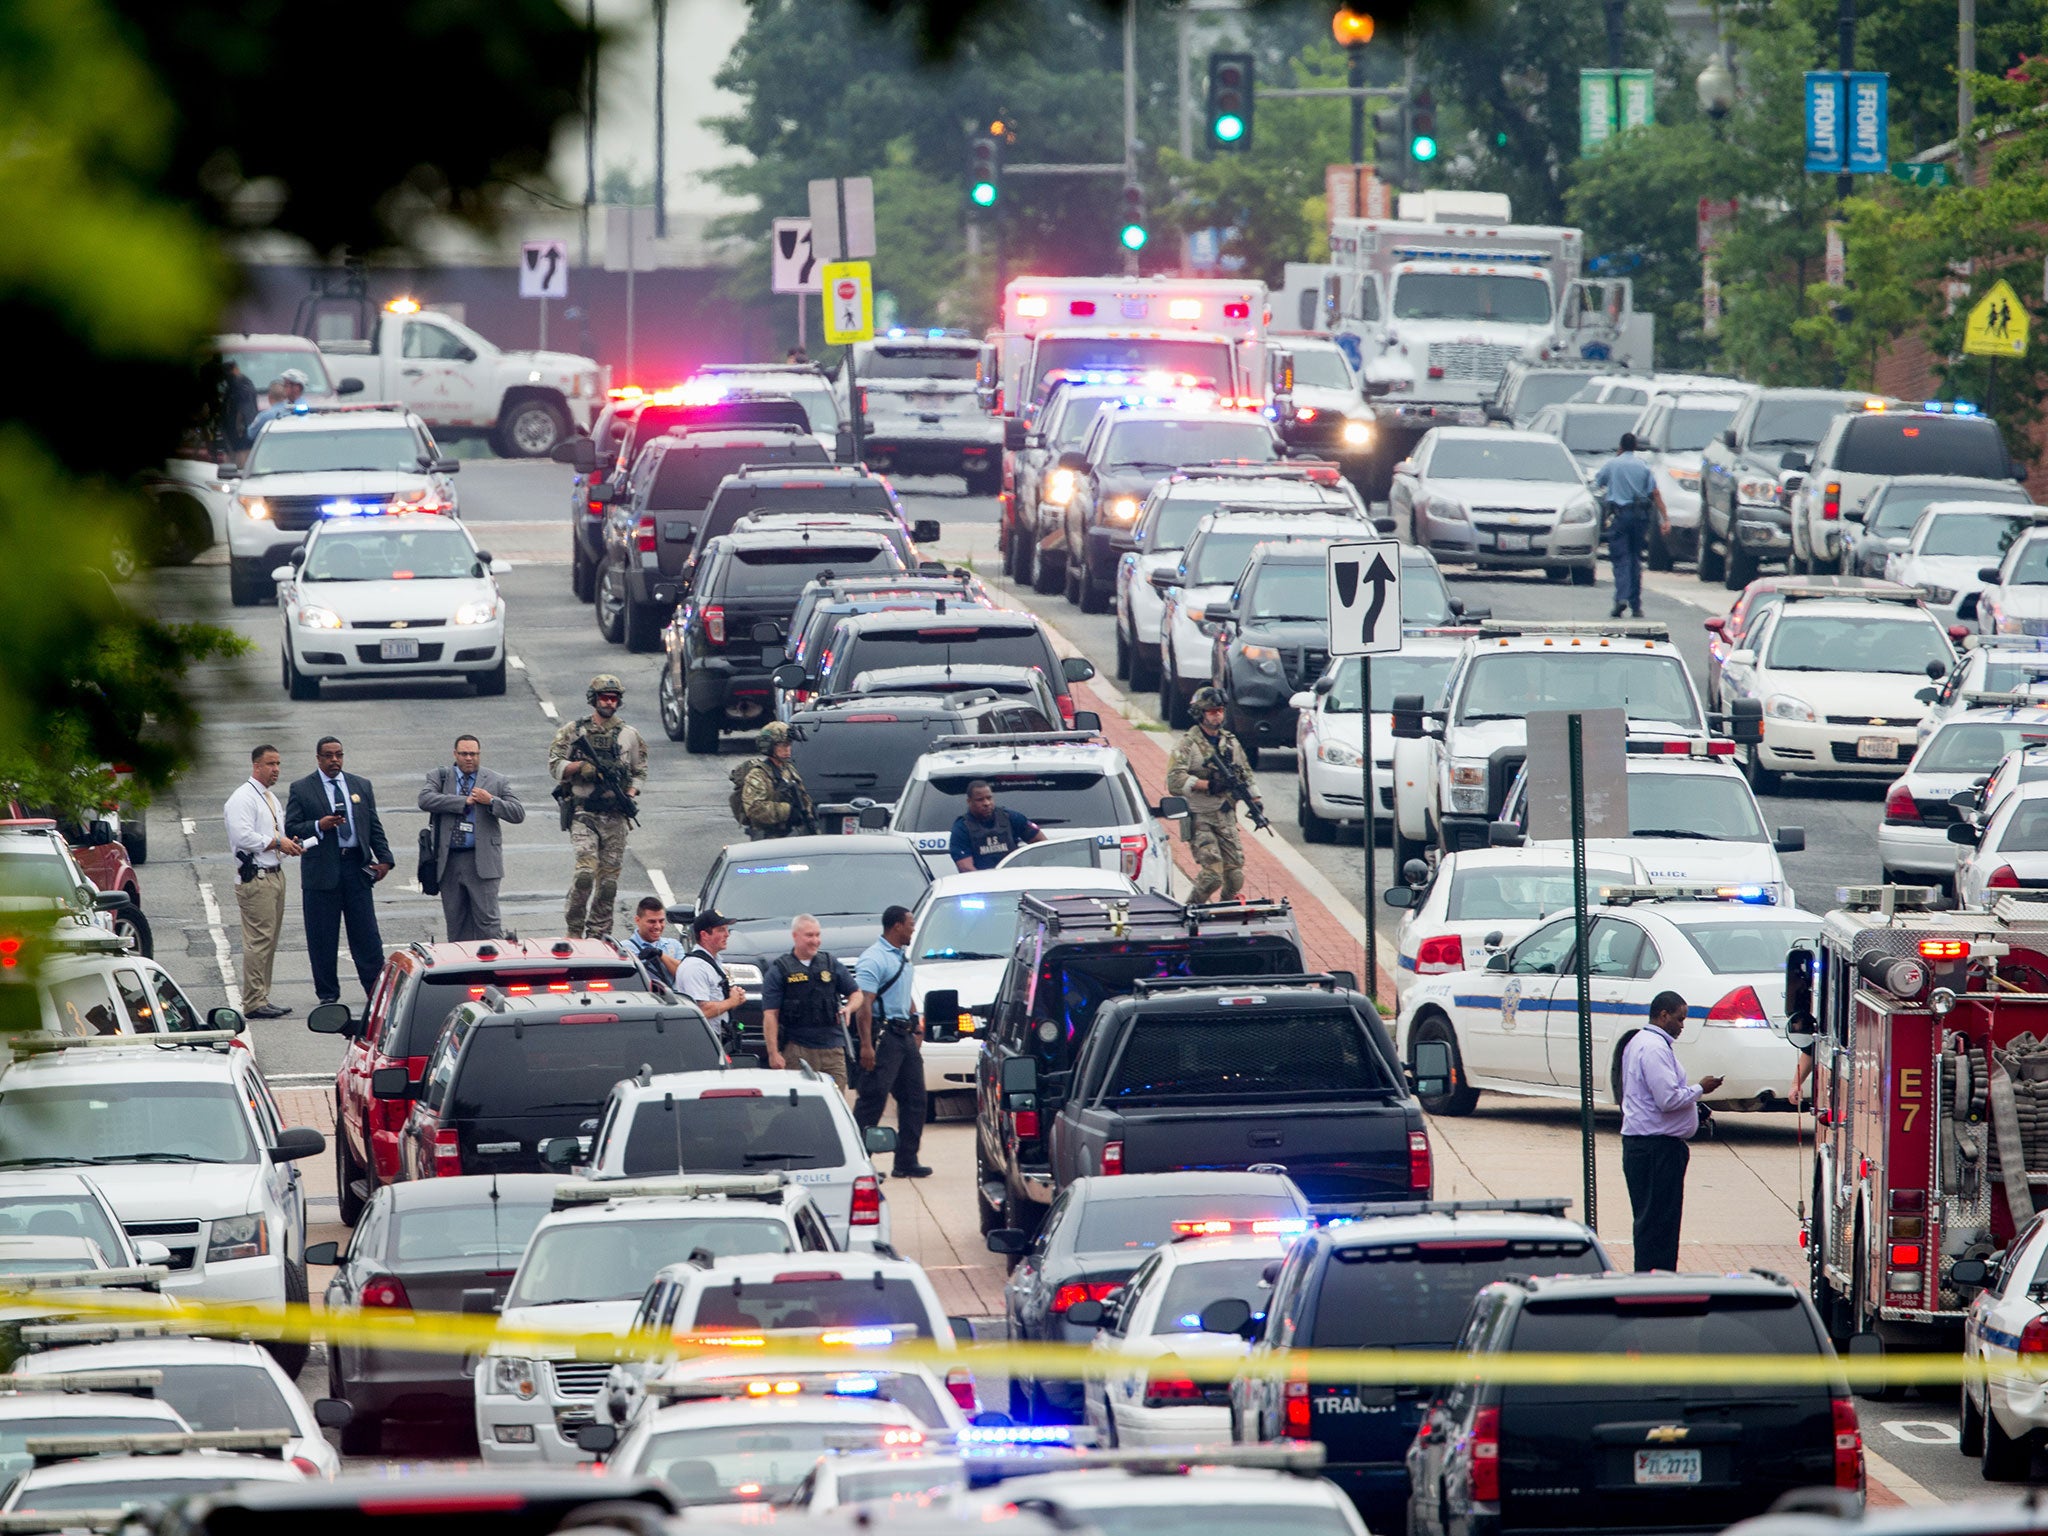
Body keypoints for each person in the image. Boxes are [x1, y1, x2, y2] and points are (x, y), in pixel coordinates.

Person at [283, 736, 393, 1007]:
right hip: (321, 873)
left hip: (356, 867)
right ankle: (328, 995)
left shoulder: (360, 785)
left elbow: (373, 825)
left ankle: (376, 993)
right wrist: (319, 825)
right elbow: (291, 828)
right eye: (329, 756)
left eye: (339, 755)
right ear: (318, 758)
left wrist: (385, 860)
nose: (335, 760)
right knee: (322, 938)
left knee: (367, 936)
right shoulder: (302, 788)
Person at [1618, 991, 1724, 1272]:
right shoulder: (1653, 1048)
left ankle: (1652, 1281)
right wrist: (1701, 1089)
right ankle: (1655, 1285)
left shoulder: (1641, 1042)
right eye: (1679, 1019)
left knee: (1653, 1223)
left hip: (1648, 1146)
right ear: (1663, 1016)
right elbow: (1667, 1099)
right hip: (1656, 1150)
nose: (1682, 1025)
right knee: (1658, 1226)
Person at [548, 674, 646, 939]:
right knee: (585, 874)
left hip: (615, 816)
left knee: (609, 884)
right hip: (584, 813)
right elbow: (554, 764)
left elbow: (640, 771)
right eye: (604, 697)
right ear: (594, 699)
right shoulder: (573, 731)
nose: (609, 702)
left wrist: (630, 791)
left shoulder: (630, 735)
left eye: (613, 698)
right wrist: (580, 767)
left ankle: (599, 934)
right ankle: (574, 929)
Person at [418, 735, 525, 942]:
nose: (469, 758)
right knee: (456, 926)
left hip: (482, 862)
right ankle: (463, 972)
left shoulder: (496, 780)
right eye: (464, 754)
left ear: (479, 754)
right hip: (449, 862)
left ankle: (493, 971)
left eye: (473, 754)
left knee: (488, 925)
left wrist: (491, 801)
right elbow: (425, 799)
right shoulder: (439, 777)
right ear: (455, 754)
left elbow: (518, 813)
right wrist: (461, 802)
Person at [850, 905, 931, 1178]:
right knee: (873, 1098)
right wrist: (866, 1045)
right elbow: (864, 1004)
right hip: (883, 1037)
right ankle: (859, 1162)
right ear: (896, 926)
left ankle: (906, 1160)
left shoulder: (901, 957)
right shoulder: (873, 959)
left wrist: (916, 1022)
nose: (913, 928)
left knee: (916, 1098)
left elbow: (903, 994)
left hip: (904, 1036)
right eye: (910, 924)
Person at [222, 743, 301, 1018]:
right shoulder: (243, 798)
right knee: (258, 940)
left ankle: (261, 996)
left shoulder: (269, 798)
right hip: (256, 877)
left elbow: (275, 832)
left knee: (270, 940)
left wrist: (287, 843)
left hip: (275, 873)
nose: (276, 769)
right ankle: (254, 1001)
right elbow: (243, 837)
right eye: (270, 764)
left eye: (278, 764)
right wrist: (277, 841)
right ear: (256, 766)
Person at [1165, 687, 1260, 903]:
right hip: (1200, 817)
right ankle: (1191, 909)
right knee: (1212, 876)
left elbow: (1244, 771)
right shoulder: (1188, 744)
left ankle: (1225, 909)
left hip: (1225, 816)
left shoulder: (1230, 742)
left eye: (1220, 710)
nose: (1217, 715)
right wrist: (1207, 785)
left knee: (1235, 876)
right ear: (1200, 713)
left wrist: (1255, 800)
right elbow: (1174, 780)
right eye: (1211, 711)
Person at [761, 914, 854, 1089]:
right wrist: (773, 1053)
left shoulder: (830, 964)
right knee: (800, 1106)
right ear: (795, 936)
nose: (815, 941)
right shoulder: (779, 970)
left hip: (833, 1049)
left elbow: (856, 994)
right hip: (797, 1049)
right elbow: (770, 1015)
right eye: (809, 935)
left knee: (836, 1103)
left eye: (818, 935)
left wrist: (849, 1008)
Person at [1592, 432, 1665, 621]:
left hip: (1620, 515)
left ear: (1620, 446)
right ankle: (1636, 605)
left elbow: (1598, 483)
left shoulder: (1612, 464)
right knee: (1635, 559)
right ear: (1635, 447)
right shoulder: (1643, 466)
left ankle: (1621, 598)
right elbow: (1654, 492)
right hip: (1640, 516)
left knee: (1620, 559)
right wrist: (1665, 518)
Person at [674, 908, 750, 1041]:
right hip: (701, 1040)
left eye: (727, 929)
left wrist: (734, 995)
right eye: (721, 930)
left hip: (717, 1038)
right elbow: (701, 1011)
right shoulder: (695, 967)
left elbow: (715, 997)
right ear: (704, 935)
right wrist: (732, 1001)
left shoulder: (712, 962)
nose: (727, 934)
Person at [737, 723, 816, 839]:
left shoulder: (789, 770)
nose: (787, 749)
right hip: (767, 838)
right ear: (770, 746)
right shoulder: (758, 775)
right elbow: (754, 809)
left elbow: (802, 796)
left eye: (789, 745)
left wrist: (809, 812)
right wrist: (787, 811)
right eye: (783, 745)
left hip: (791, 835)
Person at [948, 779, 1046, 872]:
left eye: (989, 798)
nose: (986, 803)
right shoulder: (962, 828)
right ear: (969, 802)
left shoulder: (1011, 817)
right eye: (980, 800)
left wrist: (1032, 867)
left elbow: (1042, 844)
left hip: (1015, 879)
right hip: (981, 882)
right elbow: (965, 868)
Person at [622, 896, 687, 988]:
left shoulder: (674, 945)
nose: (658, 926)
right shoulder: (624, 948)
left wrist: (660, 955)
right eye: (652, 921)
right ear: (637, 920)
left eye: (661, 921)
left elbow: (684, 974)